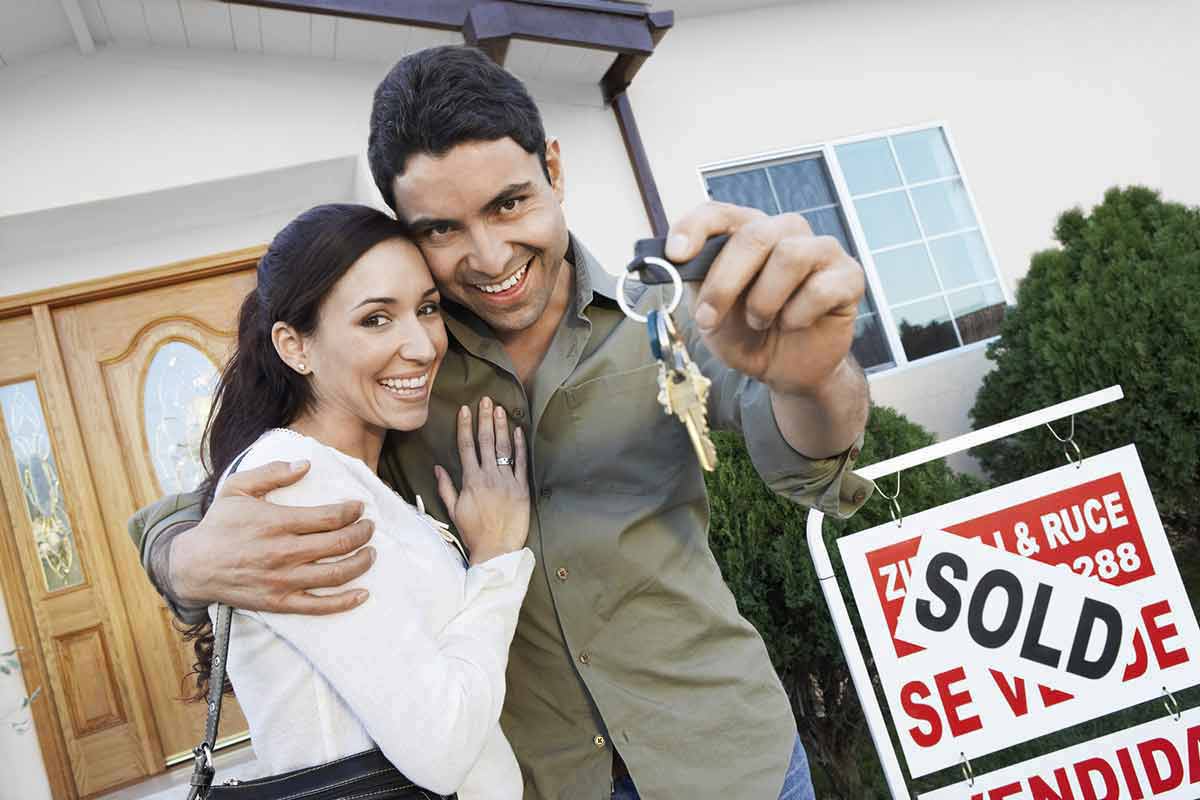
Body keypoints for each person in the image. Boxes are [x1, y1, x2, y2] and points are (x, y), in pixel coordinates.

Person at [130, 46, 874, 800]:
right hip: (543, 784)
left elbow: (807, 462)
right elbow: (225, 499)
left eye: (509, 204)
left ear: (553, 166)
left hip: (729, 760)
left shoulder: (669, 324)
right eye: (443, 228)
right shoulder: (399, 371)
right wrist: (186, 563)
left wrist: (816, 377)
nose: (489, 256)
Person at [193, 203, 532, 799]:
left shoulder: (353, 475)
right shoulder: (295, 483)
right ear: (295, 347)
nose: (424, 347)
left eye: (426, 309)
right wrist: (499, 559)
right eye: (376, 319)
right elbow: (442, 745)